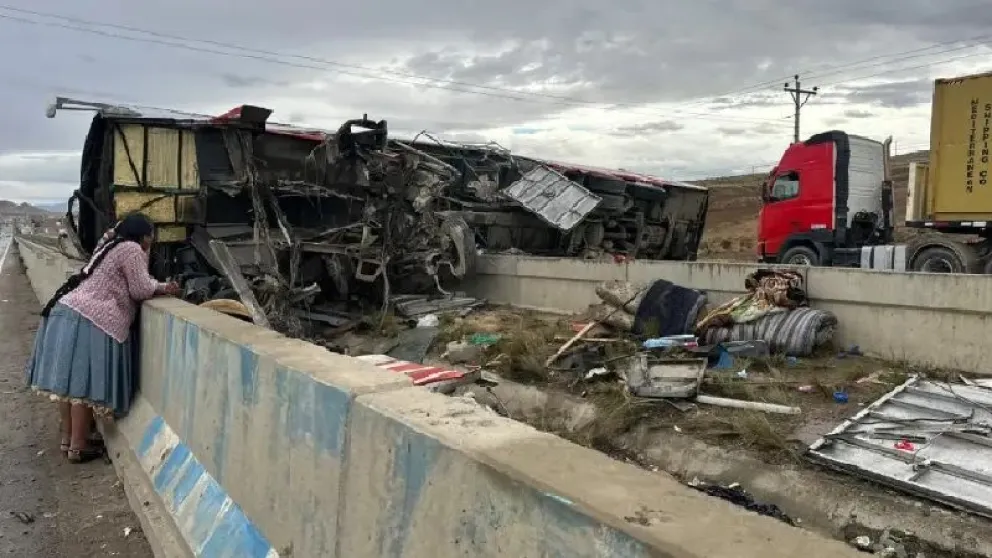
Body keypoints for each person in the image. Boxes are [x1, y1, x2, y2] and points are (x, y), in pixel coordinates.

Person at [25, 213, 180, 463]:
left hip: (67, 308)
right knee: (82, 384)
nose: (152, 239)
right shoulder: (131, 249)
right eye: (151, 234)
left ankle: (68, 439)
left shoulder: (109, 244)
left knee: (67, 387)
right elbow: (140, 289)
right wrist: (163, 286)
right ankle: (78, 446)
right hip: (92, 316)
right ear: (143, 235)